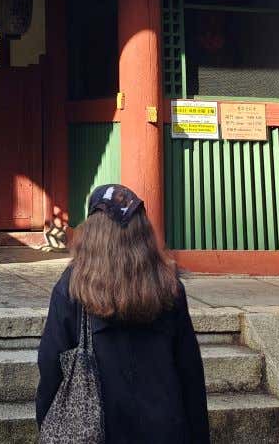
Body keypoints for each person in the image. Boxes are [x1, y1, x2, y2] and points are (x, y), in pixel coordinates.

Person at [36, 184, 210, 443]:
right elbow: (190, 372)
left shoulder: (72, 286)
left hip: (97, 430)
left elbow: (51, 366)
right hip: (167, 428)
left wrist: (47, 420)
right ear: (143, 232)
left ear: (91, 230)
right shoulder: (168, 285)